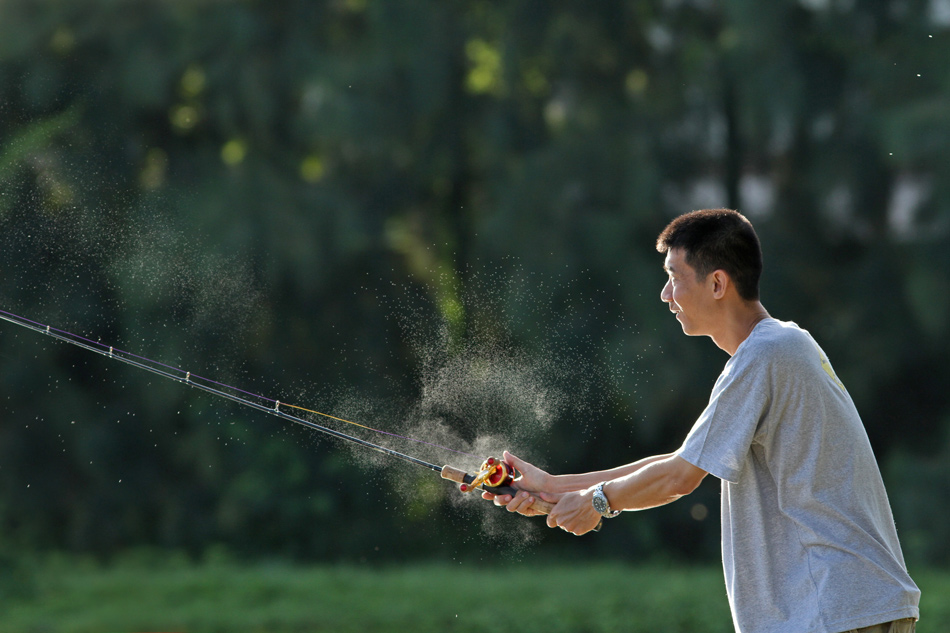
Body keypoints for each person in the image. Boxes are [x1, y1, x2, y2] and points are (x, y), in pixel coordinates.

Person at [486, 209, 920, 633]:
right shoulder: (780, 347)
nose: (665, 294)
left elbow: (679, 479)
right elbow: (682, 461)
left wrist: (597, 501)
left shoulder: (765, 355)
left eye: (675, 277)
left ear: (717, 284)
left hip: (836, 611)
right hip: (848, 609)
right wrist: (556, 486)